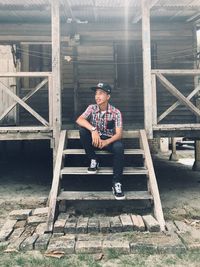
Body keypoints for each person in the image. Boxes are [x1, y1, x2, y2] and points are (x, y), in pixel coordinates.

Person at [76, 82, 125, 200]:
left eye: (101, 93)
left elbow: (119, 134)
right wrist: (93, 130)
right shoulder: (91, 108)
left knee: (119, 147)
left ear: (108, 97)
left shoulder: (116, 112)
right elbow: (80, 119)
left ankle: (116, 183)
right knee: (83, 130)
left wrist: (106, 142)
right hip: (95, 140)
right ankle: (93, 159)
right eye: (96, 93)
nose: (97, 96)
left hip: (108, 141)